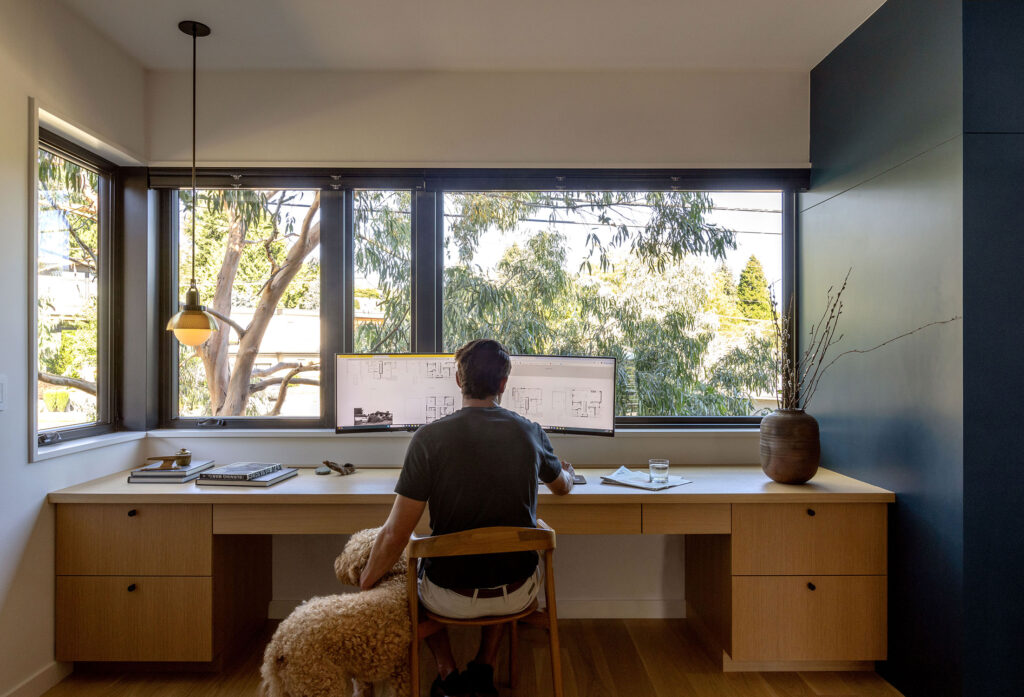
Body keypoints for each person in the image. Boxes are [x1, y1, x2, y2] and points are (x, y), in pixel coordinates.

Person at [358, 339, 575, 697]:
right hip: (516, 593)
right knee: (507, 554)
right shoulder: (530, 432)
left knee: (404, 575)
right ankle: (484, 668)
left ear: (459, 379)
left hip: (447, 596)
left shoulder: (428, 439)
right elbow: (562, 487)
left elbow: (397, 533)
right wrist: (565, 472)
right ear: (504, 383)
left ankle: (448, 672)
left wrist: (366, 580)